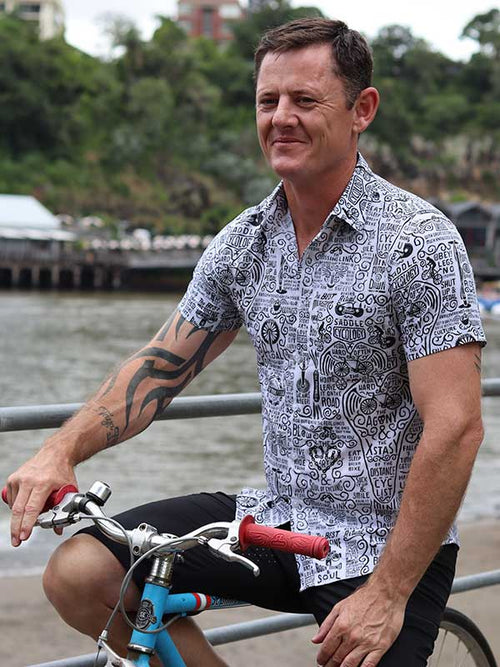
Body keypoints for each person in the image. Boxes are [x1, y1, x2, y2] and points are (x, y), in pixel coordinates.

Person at [5, 17, 486, 667]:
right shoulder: (244, 243)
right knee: (81, 571)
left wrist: (389, 591)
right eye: (268, 100)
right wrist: (59, 451)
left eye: (305, 99)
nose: (281, 117)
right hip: (277, 521)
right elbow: (160, 367)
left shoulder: (418, 242)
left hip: (387, 546)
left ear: (362, 110)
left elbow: (456, 428)